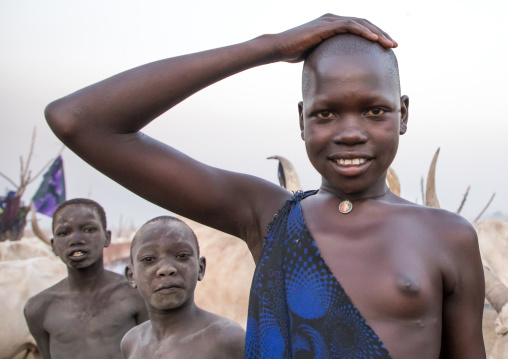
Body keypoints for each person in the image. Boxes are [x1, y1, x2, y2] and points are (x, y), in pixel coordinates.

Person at [44, 14, 486, 358]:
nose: (350, 132)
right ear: (301, 119)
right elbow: (79, 121)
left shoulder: (447, 237)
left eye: (374, 111)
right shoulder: (268, 216)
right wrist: (269, 47)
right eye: (325, 113)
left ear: (403, 115)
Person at [24, 198, 148, 359]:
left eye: (89, 229)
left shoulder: (136, 295)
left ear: (107, 238)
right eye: (64, 233)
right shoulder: (39, 308)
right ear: (54, 246)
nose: (76, 240)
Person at [121, 216, 245, 358]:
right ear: (131, 276)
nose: (166, 269)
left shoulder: (227, 338)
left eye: (182, 255)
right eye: (149, 259)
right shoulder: (132, 342)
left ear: (201, 268)